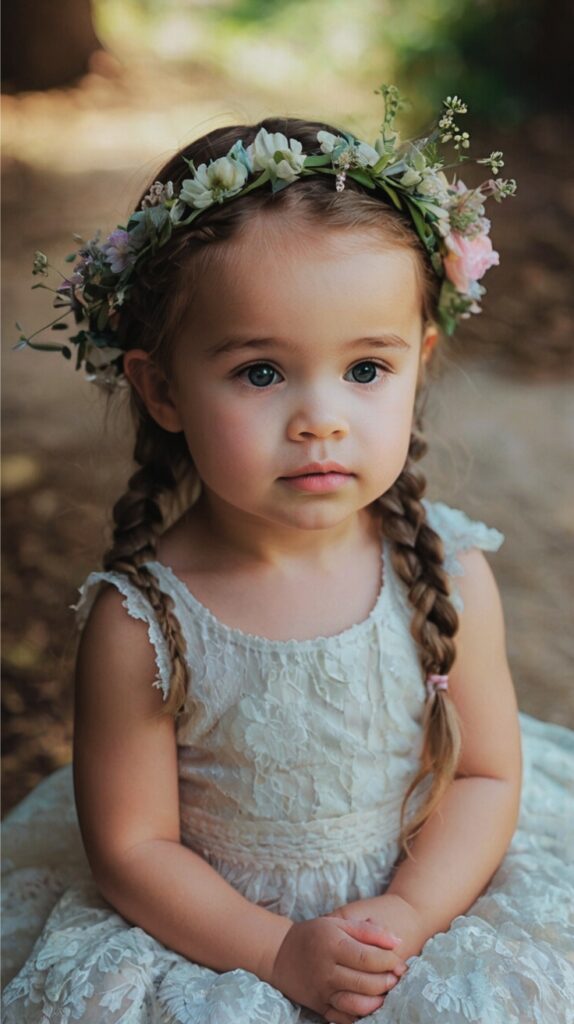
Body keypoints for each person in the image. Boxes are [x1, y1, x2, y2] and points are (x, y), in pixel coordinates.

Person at [2, 86, 573, 1023]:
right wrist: (278, 953)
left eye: (366, 369)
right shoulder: (143, 621)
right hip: (219, 944)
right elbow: (133, 849)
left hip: (423, 911)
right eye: (260, 371)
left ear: (420, 361)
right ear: (163, 389)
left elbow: (485, 775)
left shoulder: (452, 573)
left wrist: (406, 916)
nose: (321, 418)